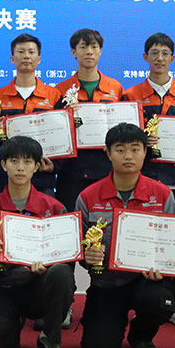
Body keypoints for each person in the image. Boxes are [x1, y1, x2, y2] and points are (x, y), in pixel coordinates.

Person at [75, 123, 175, 348]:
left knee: (160, 300)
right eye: (120, 150)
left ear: (145, 152)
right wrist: (87, 257)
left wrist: (164, 267)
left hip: (147, 281)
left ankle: (141, 335)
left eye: (135, 149)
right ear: (108, 153)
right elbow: (79, 245)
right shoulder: (88, 196)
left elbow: (174, 242)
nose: (128, 156)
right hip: (107, 283)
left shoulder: (162, 194)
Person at [0, 136, 74, 348]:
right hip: (3, 288)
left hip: (38, 288)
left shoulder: (54, 207)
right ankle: (10, 330)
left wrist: (48, 266)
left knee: (61, 273)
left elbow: (66, 257)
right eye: (14, 161)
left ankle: (50, 339)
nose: (20, 167)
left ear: (37, 166)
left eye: (27, 162)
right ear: (3, 165)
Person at [122, 32, 175, 328]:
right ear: (145, 57)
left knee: (174, 239)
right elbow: (125, 137)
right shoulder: (131, 95)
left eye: (165, 53)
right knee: (141, 236)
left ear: (173, 58)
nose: (160, 58)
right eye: (154, 53)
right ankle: (135, 296)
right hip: (141, 179)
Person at [53, 28, 124, 213]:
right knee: (72, 220)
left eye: (94, 47)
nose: (89, 52)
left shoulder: (116, 88)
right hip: (71, 171)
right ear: (73, 52)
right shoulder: (61, 90)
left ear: (101, 51)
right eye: (83, 47)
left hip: (107, 168)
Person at [0, 34, 62, 195]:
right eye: (21, 52)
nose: (26, 56)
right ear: (12, 59)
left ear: (39, 59)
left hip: (43, 176)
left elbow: (62, 137)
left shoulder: (54, 96)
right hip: (7, 177)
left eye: (31, 52)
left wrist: (54, 166)